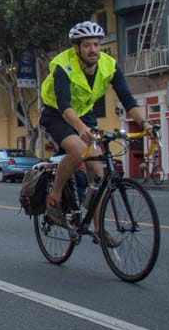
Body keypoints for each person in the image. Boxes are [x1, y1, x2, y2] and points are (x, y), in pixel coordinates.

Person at [40, 21, 154, 231]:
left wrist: (145, 123)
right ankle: (54, 196)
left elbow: (128, 100)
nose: (93, 50)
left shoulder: (109, 65)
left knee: (99, 177)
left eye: (96, 44)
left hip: (84, 113)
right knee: (78, 149)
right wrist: (82, 130)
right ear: (77, 48)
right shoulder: (62, 65)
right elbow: (65, 106)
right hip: (56, 113)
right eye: (87, 45)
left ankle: (99, 231)